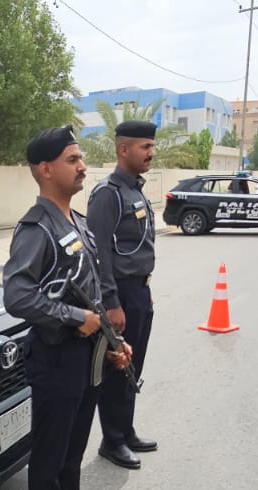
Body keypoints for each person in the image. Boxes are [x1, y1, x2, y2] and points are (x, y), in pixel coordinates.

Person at [2, 125, 130, 490]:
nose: (82, 166)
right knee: (50, 453)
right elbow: (17, 295)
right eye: (72, 159)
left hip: (86, 356)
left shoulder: (76, 221)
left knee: (75, 445)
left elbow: (91, 289)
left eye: (80, 158)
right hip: (55, 359)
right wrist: (74, 317)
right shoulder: (36, 228)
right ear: (45, 169)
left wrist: (111, 341)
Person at [86, 119, 159, 470]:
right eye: (145, 146)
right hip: (121, 294)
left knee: (134, 365)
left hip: (139, 291)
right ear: (123, 149)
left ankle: (125, 430)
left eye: (152, 146)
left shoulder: (135, 190)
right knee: (117, 367)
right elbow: (99, 254)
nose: (151, 152)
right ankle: (112, 441)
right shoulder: (108, 194)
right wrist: (112, 302)